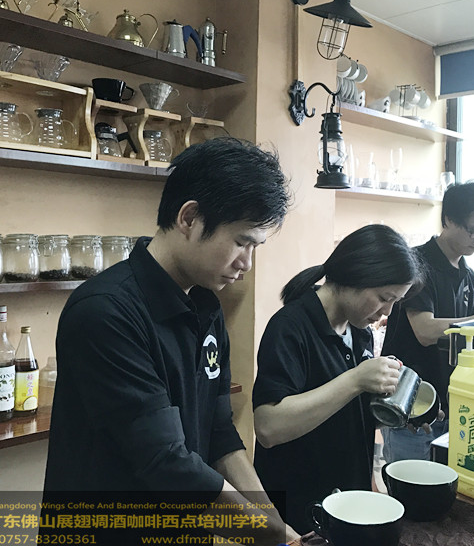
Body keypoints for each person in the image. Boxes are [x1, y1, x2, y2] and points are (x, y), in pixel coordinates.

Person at [43, 137, 299, 545]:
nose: (247, 264)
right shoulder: (105, 312)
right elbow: (164, 463)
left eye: (255, 247)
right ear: (189, 218)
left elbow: (219, 433)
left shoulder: (206, 307)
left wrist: (274, 523)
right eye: (241, 242)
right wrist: (270, 535)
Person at [252, 224, 423, 534]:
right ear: (356, 276)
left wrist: (397, 410)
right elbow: (268, 427)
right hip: (296, 510)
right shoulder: (290, 327)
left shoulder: (359, 331)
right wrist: (356, 380)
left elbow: (345, 413)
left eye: (395, 302)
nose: (386, 311)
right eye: (384, 298)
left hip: (346, 501)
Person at [380, 180, 474, 463]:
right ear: (448, 220)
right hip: (410, 403)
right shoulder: (416, 263)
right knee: (408, 483)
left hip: (451, 406)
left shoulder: (466, 273)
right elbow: (424, 330)